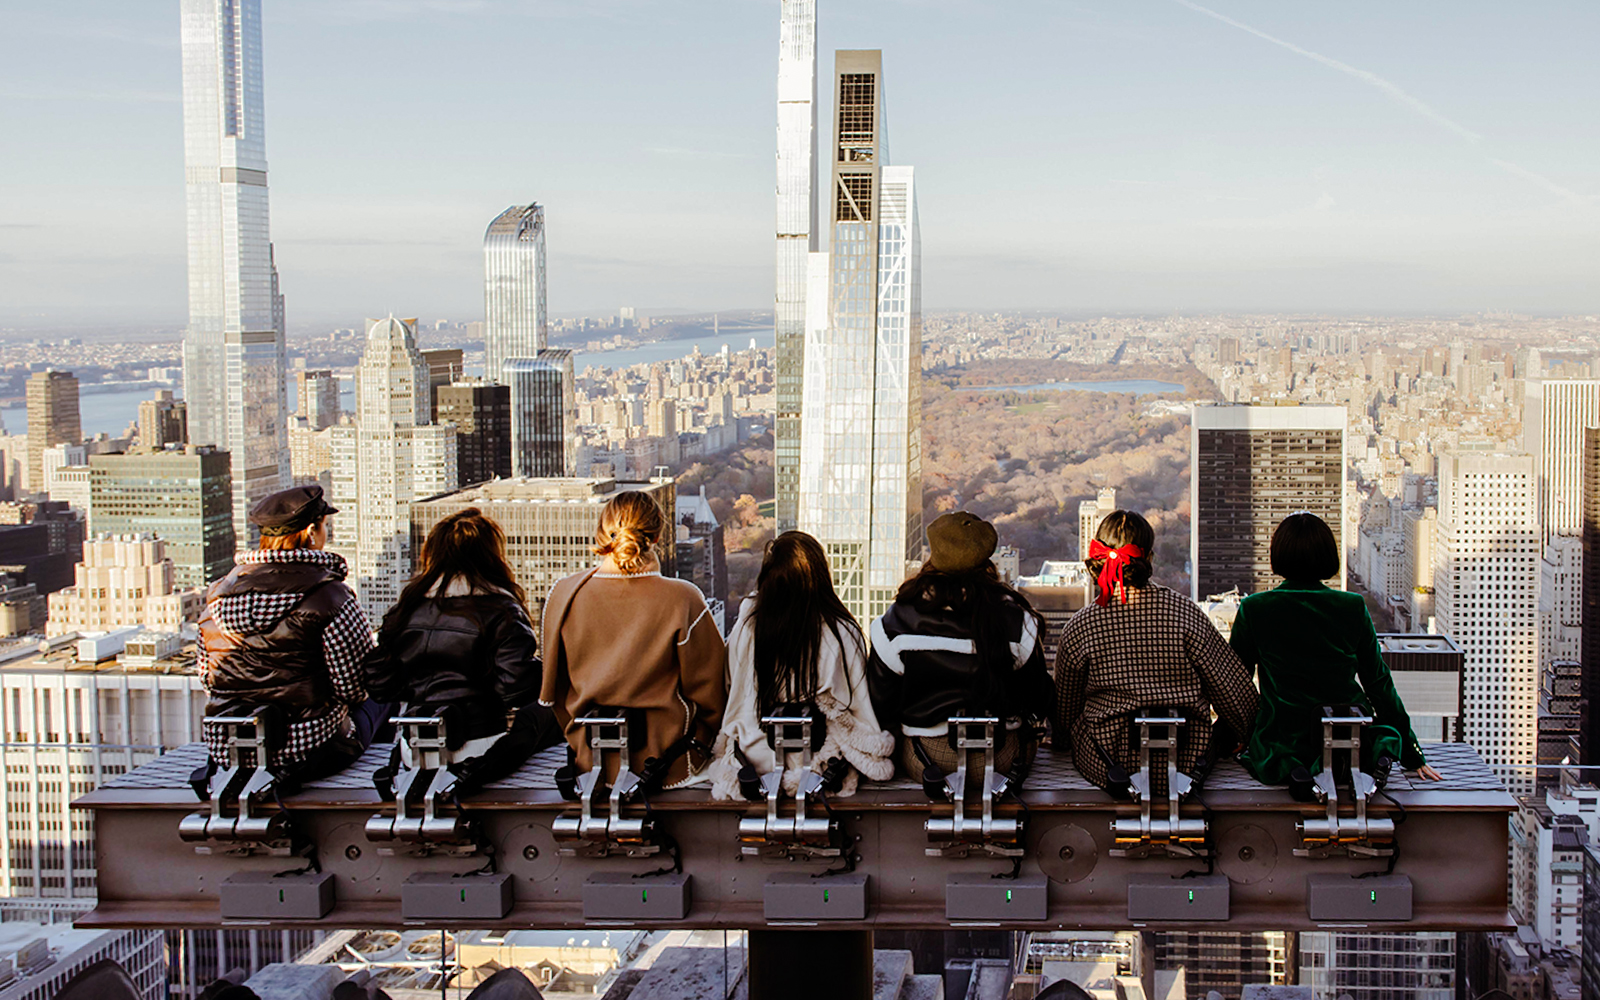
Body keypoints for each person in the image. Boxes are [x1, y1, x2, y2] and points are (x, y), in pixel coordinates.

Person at [1231, 511, 1443, 789]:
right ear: (1327, 556)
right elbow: (1378, 682)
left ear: (1277, 554)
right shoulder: (1352, 606)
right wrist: (1413, 754)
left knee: (1272, 749)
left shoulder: (1255, 609)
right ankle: (1375, 758)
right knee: (1381, 735)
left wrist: (1233, 735)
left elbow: (1234, 685)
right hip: (1346, 728)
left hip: (1284, 732)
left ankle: (1294, 769)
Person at [1053, 510, 1257, 793]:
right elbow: (1234, 694)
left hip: (1111, 762)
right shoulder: (1186, 614)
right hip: (1187, 758)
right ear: (1148, 558)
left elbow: (1065, 710)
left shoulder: (1081, 626)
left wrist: (1063, 739)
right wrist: (1243, 733)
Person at [197, 485, 386, 785]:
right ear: (311, 531)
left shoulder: (217, 596)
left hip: (230, 749)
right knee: (382, 697)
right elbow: (356, 686)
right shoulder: (329, 597)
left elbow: (209, 680)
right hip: (310, 751)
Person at [539, 490, 727, 788]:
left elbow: (552, 695)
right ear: (654, 537)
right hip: (670, 765)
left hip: (587, 763)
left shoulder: (563, 595)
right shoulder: (682, 599)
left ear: (602, 532)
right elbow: (714, 695)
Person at [364, 508, 562, 789]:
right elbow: (518, 690)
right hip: (480, 751)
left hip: (413, 751)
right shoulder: (500, 609)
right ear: (490, 557)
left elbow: (381, 686)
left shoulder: (405, 609)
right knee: (545, 712)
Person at [867, 511, 1053, 784]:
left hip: (928, 759)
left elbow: (880, 704)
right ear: (985, 557)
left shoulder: (897, 621)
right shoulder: (1016, 621)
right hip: (1003, 757)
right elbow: (1038, 697)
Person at [710, 531, 894, 799]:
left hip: (753, 760)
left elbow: (731, 686)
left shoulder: (748, 627)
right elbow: (857, 706)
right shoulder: (840, 632)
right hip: (821, 767)